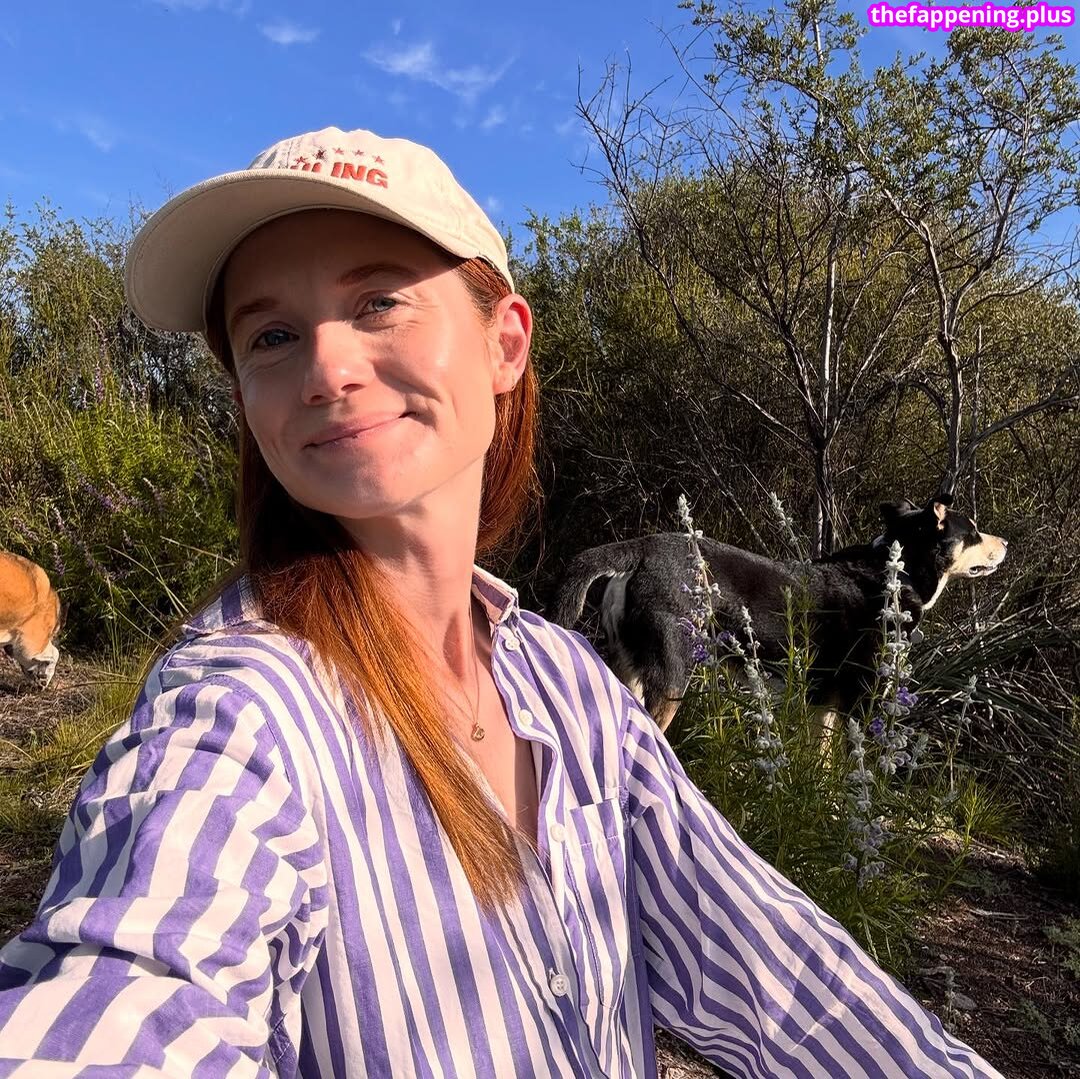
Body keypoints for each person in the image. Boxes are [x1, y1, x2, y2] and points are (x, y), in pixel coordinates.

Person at [0, 125, 1002, 1078]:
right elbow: (128, 984)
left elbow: (786, 974)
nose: (326, 368)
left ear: (504, 344)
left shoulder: (570, 687)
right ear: (246, 402)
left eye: (379, 301)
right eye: (270, 334)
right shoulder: (238, 711)